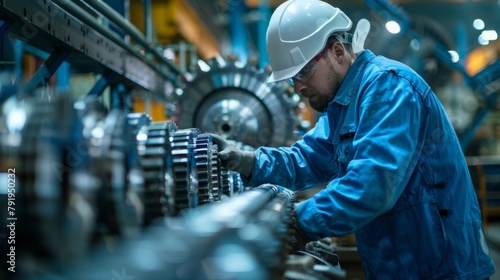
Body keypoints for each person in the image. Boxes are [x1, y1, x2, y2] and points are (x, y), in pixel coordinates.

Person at [212, 0, 496, 279]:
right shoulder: (342, 105)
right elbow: (307, 158)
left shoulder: (388, 86)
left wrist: (298, 223)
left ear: (337, 51)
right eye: (291, 78)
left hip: (440, 266)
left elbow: (372, 183)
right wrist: (247, 161)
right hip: (396, 263)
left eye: (303, 72)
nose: (298, 86)